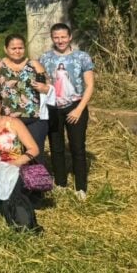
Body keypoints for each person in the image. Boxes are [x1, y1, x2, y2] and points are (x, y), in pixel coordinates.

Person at [40, 23, 96, 198]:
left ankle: (80, 186)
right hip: (54, 107)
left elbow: (90, 85)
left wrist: (79, 109)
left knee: (77, 147)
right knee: (56, 147)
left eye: (63, 37)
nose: (60, 40)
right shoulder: (45, 58)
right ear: (52, 38)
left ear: (70, 37)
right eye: (56, 37)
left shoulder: (82, 57)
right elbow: (46, 82)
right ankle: (61, 182)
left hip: (75, 105)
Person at [0, 33, 50, 159]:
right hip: (7, 119)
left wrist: (44, 88)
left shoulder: (34, 65)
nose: (17, 51)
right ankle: (14, 179)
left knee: (35, 155)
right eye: (13, 48)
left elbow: (49, 87)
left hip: (34, 118)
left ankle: (36, 179)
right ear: (6, 49)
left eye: (20, 48)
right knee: (9, 155)